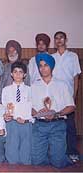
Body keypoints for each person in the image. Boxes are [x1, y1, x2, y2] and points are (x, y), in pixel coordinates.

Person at [31, 53, 75, 168]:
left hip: (57, 125)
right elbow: (29, 107)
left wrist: (56, 114)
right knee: (37, 162)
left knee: (58, 163)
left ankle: (59, 155)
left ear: (51, 66)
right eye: (40, 66)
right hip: (39, 126)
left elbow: (71, 106)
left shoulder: (62, 85)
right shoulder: (34, 86)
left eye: (46, 65)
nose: (43, 68)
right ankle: (49, 152)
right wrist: (37, 113)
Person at [52, 31, 81, 163]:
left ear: (65, 40)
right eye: (56, 38)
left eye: (61, 38)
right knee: (57, 126)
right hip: (55, 98)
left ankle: (72, 152)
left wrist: (74, 95)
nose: (59, 40)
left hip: (68, 96)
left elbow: (76, 78)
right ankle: (58, 152)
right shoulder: (52, 57)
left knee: (70, 126)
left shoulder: (73, 56)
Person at [2, 61, 33, 165]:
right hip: (12, 122)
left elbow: (33, 108)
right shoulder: (6, 90)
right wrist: (6, 116)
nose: (18, 74)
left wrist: (27, 119)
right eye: (15, 72)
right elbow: (4, 106)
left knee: (26, 153)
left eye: (20, 72)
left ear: (25, 74)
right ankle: (12, 161)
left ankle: (25, 162)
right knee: (12, 154)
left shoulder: (30, 90)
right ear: (11, 74)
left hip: (26, 122)